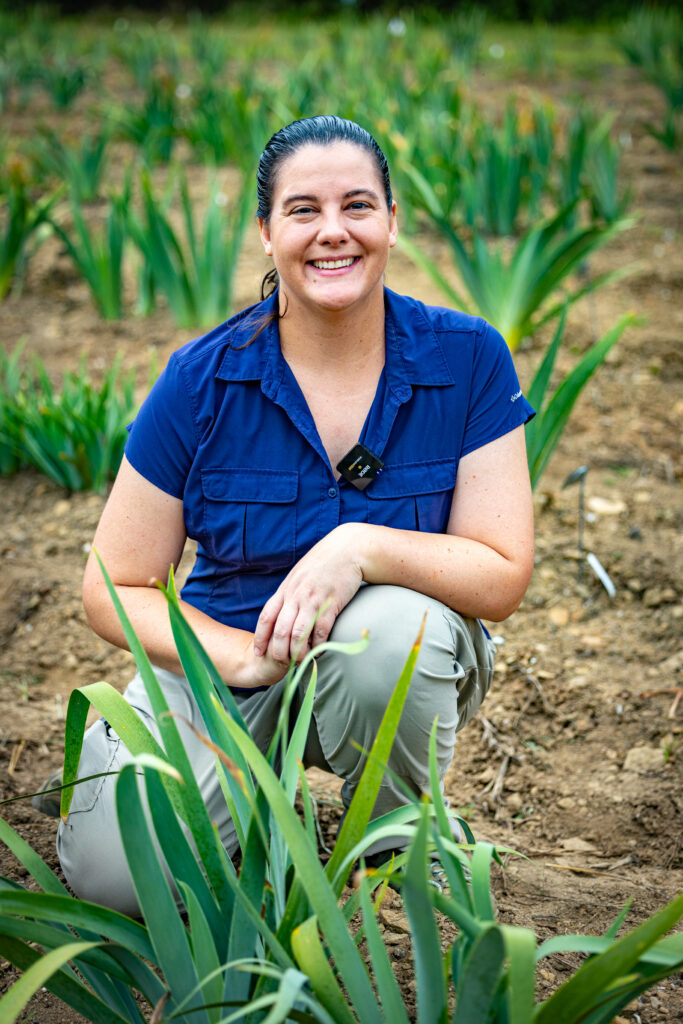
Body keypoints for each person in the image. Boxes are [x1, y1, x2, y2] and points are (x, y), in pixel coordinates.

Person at [52, 115, 535, 916]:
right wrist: (237, 659)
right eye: (303, 210)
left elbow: (499, 571)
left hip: (383, 664)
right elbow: (114, 586)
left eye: (356, 206)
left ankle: (390, 845)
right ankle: (248, 803)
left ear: (391, 219)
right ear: (266, 231)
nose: (332, 232)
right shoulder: (202, 380)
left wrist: (361, 547)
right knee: (122, 879)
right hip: (226, 665)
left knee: (388, 639)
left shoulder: (466, 358)